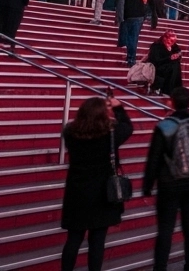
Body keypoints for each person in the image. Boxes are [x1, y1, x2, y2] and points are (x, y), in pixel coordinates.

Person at [143, 87, 189, 271]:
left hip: (170, 183)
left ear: (172, 102)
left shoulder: (165, 127)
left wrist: (147, 186)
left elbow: (154, 159)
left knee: (165, 230)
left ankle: (160, 267)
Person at [60, 95, 132, 271]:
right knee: (97, 241)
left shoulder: (70, 132)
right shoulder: (110, 134)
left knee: (73, 239)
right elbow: (128, 127)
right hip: (102, 193)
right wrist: (118, 108)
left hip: (77, 192)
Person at [114, 0, 147, 67]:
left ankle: (131, 58)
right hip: (139, 14)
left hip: (130, 14)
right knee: (133, 37)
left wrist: (119, 16)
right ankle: (130, 57)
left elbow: (121, 0)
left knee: (130, 37)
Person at [146, 30, 184, 97]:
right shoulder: (156, 46)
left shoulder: (174, 46)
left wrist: (178, 55)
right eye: (170, 41)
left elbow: (179, 52)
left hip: (169, 66)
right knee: (173, 67)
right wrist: (169, 58)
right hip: (157, 66)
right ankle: (168, 90)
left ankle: (174, 90)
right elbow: (155, 60)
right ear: (165, 38)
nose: (172, 43)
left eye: (173, 42)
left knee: (176, 65)